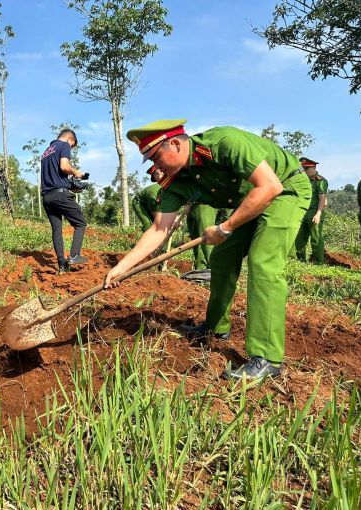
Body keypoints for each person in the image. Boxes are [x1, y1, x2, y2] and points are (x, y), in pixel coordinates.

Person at [104, 119, 311, 380]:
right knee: (223, 258)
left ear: (176, 144)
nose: (156, 167)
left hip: (285, 190)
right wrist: (122, 267)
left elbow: (270, 187)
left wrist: (224, 228)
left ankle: (268, 358)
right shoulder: (175, 182)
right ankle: (215, 327)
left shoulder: (224, 142)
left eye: (156, 158)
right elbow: (159, 229)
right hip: (250, 201)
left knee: (263, 262)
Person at [39, 128, 88, 273]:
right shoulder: (64, 145)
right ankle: (74, 255)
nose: (70, 148)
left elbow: (56, 177)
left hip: (47, 197)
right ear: (70, 139)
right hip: (60, 196)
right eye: (72, 146)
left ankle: (62, 265)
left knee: (57, 230)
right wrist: (76, 172)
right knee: (80, 223)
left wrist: (71, 185)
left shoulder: (46, 152)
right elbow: (64, 167)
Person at [292, 157, 328, 264]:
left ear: (313, 168)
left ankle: (318, 262)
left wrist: (318, 214)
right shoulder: (304, 181)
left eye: (306, 169)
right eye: (303, 169)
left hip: (315, 210)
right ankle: (300, 260)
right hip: (303, 211)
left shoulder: (321, 181)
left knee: (316, 238)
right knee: (300, 238)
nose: (304, 171)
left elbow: (322, 199)